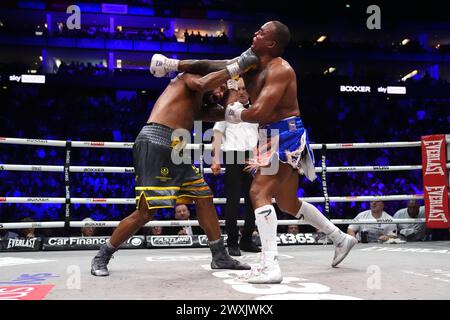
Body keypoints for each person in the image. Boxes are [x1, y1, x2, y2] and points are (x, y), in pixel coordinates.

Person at [152, 20, 358, 284]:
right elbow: (209, 66)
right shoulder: (250, 61)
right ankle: (340, 238)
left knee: (258, 192)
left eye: (261, 32)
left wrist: (234, 113)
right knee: (286, 202)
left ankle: (270, 265)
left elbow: (260, 112)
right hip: (269, 134)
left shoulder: (281, 70)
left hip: (284, 134)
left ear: (271, 43)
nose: (254, 33)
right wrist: (171, 64)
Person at [91, 50, 258, 276]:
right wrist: (234, 68)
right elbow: (203, 82)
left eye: (222, 90)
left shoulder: (197, 104)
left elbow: (224, 114)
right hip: (155, 140)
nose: (219, 92)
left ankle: (220, 256)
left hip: (175, 147)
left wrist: (236, 95)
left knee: (204, 196)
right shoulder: (187, 78)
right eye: (219, 87)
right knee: (145, 212)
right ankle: (102, 255)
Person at [211, 77, 260, 256]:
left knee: (253, 200)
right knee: (232, 200)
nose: (241, 91)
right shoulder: (228, 110)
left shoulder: (256, 109)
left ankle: (247, 239)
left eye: (244, 88)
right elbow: (217, 134)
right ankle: (232, 242)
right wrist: (215, 159)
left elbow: (263, 135)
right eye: (238, 88)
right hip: (232, 156)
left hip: (253, 157)